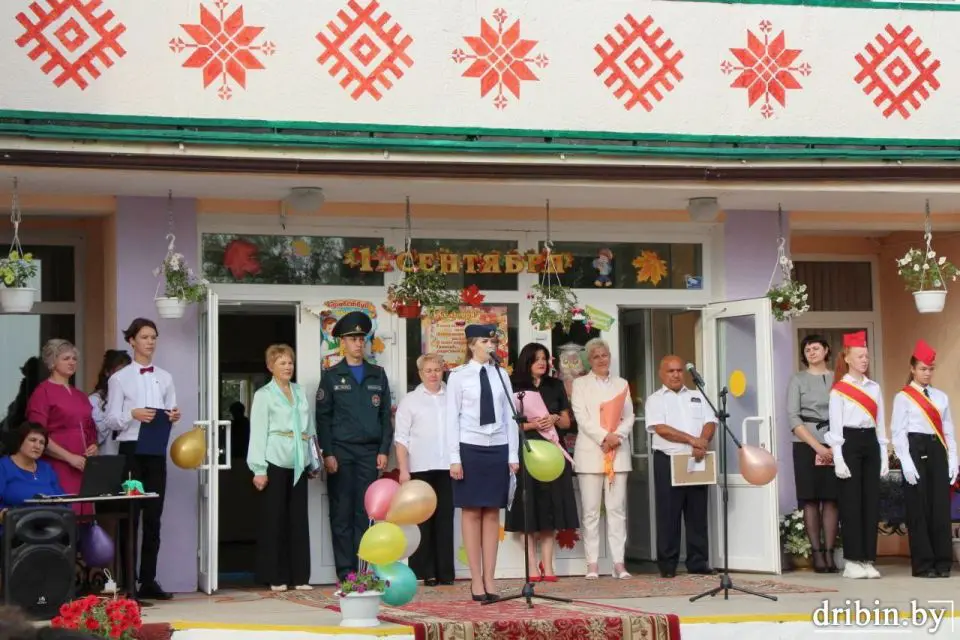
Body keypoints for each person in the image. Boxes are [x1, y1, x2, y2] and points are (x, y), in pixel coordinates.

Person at [105, 318, 181, 600]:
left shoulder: (166, 377)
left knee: (153, 517)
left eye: (153, 337)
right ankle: (128, 583)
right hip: (131, 450)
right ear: (132, 341)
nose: (150, 342)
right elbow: (111, 419)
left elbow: (170, 410)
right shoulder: (119, 378)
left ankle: (148, 580)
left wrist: (173, 416)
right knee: (131, 516)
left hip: (156, 450)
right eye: (145, 337)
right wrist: (132, 414)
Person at [315, 311, 393, 582]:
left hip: (369, 453)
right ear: (343, 343)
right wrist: (328, 453)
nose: (359, 343)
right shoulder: (331, 376)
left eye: (362, 338)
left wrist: (383, 450)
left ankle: (364, 570)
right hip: (341, 452)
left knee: (366, 513)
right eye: (353, 339)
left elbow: (385, 416)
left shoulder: (377, 375)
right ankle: (345, 572)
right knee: (341, 512)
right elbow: (323, 419)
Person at [446, 324, 518, 602]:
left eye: (493, 341)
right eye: (486, 341)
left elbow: (510, 416)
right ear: (471, 345)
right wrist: (454, 458)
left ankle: (490, 576)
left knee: (492, 513)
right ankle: (475, 577)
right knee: (472, 511)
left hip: (497, 446)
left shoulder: (501, 374)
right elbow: (451, 418)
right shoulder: (459, 376)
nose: (491, 345)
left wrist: (513, 455)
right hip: (470, 446)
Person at [504, 343, 579, 582]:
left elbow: (567, 422)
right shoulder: (514, 386)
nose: (542, 363)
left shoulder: (555, 385)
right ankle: (531, 567)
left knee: (550, 509)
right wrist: (532, 425)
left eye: (545, 358)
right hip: (527, 451)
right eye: (537, 359)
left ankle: (548, 565)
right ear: (526, 361)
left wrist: (554, 418)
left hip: (553, 453)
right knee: (528, 509)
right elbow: (507, 423)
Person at [247, 345, 317, 591]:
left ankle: (300, 577)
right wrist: (259, 469)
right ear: (271, 367)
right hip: (274, 460)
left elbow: (310, 427)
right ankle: (276, 576)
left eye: (290, 363)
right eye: (282, 363)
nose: (288, 367)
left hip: (299, 460)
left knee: (298, 519)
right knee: (274, 519)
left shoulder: (300, 391)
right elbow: (258, 432)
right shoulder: (264, 395)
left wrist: (313, 459)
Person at [643, 354, 716, 579]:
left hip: (697, 459)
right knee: (669, 514)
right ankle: (668, 565)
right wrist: (692, 440)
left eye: (679, 370)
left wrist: (702, 442)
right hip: (668, 459)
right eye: (671, 371)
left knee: (697, 513)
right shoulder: (655, 399)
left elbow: (710, 422)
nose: (676, 374)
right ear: (661, 374)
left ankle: (698, 562)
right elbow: (661, 429)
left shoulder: (697, 395)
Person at [890, 339, 957, 578]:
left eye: (930, 369)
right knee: (919, 508)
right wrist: (906, 462)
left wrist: (953, 459)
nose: (927, 373)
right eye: (922, 369)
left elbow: (948, 430)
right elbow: (898, 432)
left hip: (937, 449)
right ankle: (924, 564)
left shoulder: (941, 397)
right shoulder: (903, 397)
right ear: (912, 369)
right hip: (915, 450)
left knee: (940, 507)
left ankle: (943, 562)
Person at [571, 338, 634, 580]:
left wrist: (617, 437)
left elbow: (629, 416)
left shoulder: (621, 383)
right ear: (589, 360)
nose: (601, 360)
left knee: (617, 509)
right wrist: (604, 437)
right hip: (590, 452)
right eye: (596, 356)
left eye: (604, 355)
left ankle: (618, 563)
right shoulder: (580, 384)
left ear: (610, 357)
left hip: (618, 452)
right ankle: (592, 564)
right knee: (590, 511)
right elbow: (582, 418)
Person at [827, 330, 887, 580]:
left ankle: (867, 559)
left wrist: (884, 455)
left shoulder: (874, 388)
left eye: (867, 356)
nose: (865, 360)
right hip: (849, 443)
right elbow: (835, 429)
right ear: (847, 358)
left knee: (870, 503)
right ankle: (852, 560)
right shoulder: (839, 390)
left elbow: (880, 423)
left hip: (870, 443)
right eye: (860, 356)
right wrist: (838, 458)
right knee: (851, 503)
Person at [394, 353, 455, 586]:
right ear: (420, 374)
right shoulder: (410, 401)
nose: (433, 374)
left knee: (445, 520)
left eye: (437, 370)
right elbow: (401, 439)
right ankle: (424, 572)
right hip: (420, 468)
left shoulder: (453, 396)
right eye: (428, 370)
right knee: (423, 521)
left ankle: (445, 572)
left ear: (443, 371)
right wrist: (403, 470)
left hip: (448, 467)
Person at [26, 340, 98, 516]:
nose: (72, 362)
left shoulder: (80, 395)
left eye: (74, 358)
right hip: (57, 464)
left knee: (85, 515)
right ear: (52, 362)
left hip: (83, 465)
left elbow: (90, 427)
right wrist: (69, 457)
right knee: (63, 514)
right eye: (66, 358)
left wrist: (94, 446)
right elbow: (37, 434)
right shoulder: (43, 392)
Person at [786, 334, 839, 573]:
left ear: (826, 350)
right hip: (805, 443)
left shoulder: (838, 378)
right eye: (807, 350)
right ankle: (816, 554)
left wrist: (833, 446)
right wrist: (817, 447)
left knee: (831, 498)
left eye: (816, 348)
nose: (812, 352)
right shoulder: (797, 379)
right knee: (810, 498)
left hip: (835, 442)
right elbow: (793, 417)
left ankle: (830, 553)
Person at [0, 423, 64, 520]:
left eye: (42, 443)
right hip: (15, 525)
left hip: (49, 525)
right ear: (20, 441)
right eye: (33, 440)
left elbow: (61, 501)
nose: (37, 446)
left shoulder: (46, 468)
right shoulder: (3, 466)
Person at [89, 350, 133, 457]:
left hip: (132, 456)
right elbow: (95, 436)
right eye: (119, 372)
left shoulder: (133, 398)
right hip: (107, 457)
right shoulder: (95, 400)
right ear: (107, 372)